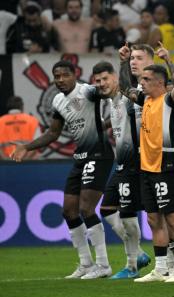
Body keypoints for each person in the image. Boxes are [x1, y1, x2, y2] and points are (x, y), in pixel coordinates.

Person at [11, 60, 114, 279]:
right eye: (56, 76)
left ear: (74, 74)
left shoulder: (86, 91)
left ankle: (103, 265)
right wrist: (26, 146)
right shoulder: (58, 100)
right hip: (81, 156)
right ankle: (86, 264)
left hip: (99, 152)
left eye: (64, 75)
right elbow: (53, 133)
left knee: (87, 209)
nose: (60, 80)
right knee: (68, 210)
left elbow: (109, 92)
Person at [119, 43, 174, 283]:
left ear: (160, 82)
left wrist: (169, 61)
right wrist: (123, 61)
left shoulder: (171, 100)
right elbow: (124, 88)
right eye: (142, 79)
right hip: (147, 167)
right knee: (153, 218)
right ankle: (161, 268)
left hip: (168, 166)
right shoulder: (146, 100)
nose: (142, 82)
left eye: (147, 79)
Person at [92, 61, 151, 279]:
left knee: (128, 213)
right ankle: (140, 255)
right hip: (122, 163)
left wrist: (124, 61)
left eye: (105, 79)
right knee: (107, 209)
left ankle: (133, 265)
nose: (101, 84)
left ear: (116, 78)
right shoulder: (112, 102)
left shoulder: (128, 96)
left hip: (135, 162)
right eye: (97, 81)